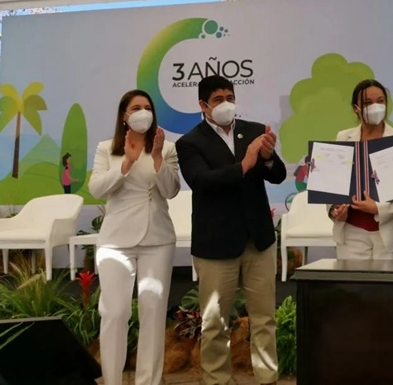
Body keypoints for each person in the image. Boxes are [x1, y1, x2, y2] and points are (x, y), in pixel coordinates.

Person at [175, 75, 286, 385]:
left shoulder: (254, 131)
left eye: (230, 97)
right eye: (218, 99)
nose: (226, 104)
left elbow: (278, 175)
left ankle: (267, 378)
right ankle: (217, 380)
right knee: (214, 324)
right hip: (215, 245)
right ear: (203, 105)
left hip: (258, 240)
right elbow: (202, 182)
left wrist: (267, 158)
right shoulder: (190, 143)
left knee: (264, 319)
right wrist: (245, 164)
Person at [89, 89, 180, 385]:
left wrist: (157, 158)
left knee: (153, 312)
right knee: (114, 312)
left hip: (158, 239)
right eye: (136, 107)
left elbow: (171, 190)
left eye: (148, 107)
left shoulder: (167, 149)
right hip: (115, 242)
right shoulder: (107, 149)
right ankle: (112, 380)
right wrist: (126, 163)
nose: (143, 112)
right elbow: (97, 189)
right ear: (124, 116)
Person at [329, 79, 393, 260]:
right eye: (368, 102)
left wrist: (378, 208)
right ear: (356, 108)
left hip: (392, 234)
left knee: (389, 280)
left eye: (380, 101)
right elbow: (332, 183)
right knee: (353, 280)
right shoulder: (343, 137)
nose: (375, 106)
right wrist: (334, 210)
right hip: (351, 232)